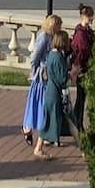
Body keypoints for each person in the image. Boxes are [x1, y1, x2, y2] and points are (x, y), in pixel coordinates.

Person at [33, 29, 71, 159]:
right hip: (56, 95)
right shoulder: (58, 58)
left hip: (50, 92)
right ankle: (38, 148)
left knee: (50, 120)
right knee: (63, 120)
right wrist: (71, 74)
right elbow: (62, 79)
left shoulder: (51, 55)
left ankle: (39, 147)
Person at [21, 14, 58, 144]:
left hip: (48, 75)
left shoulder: (53, 37)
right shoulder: (43, 37)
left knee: (44, 104)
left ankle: (44, 132)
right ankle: (28, 127)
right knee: (38, 103)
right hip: (41, 76)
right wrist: (33, 73)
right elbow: (35, 57)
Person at [69, 4, 95, 132]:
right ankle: (77, 123)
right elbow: (82, 52)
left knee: (82, 97)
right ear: (83, 16)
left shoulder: (87, 31)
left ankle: (77, 122)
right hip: (82, 69)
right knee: (81, 97)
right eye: (89, 17)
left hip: (86, 68)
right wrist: (77, 69)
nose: (91, 19)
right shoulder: (81, 33)